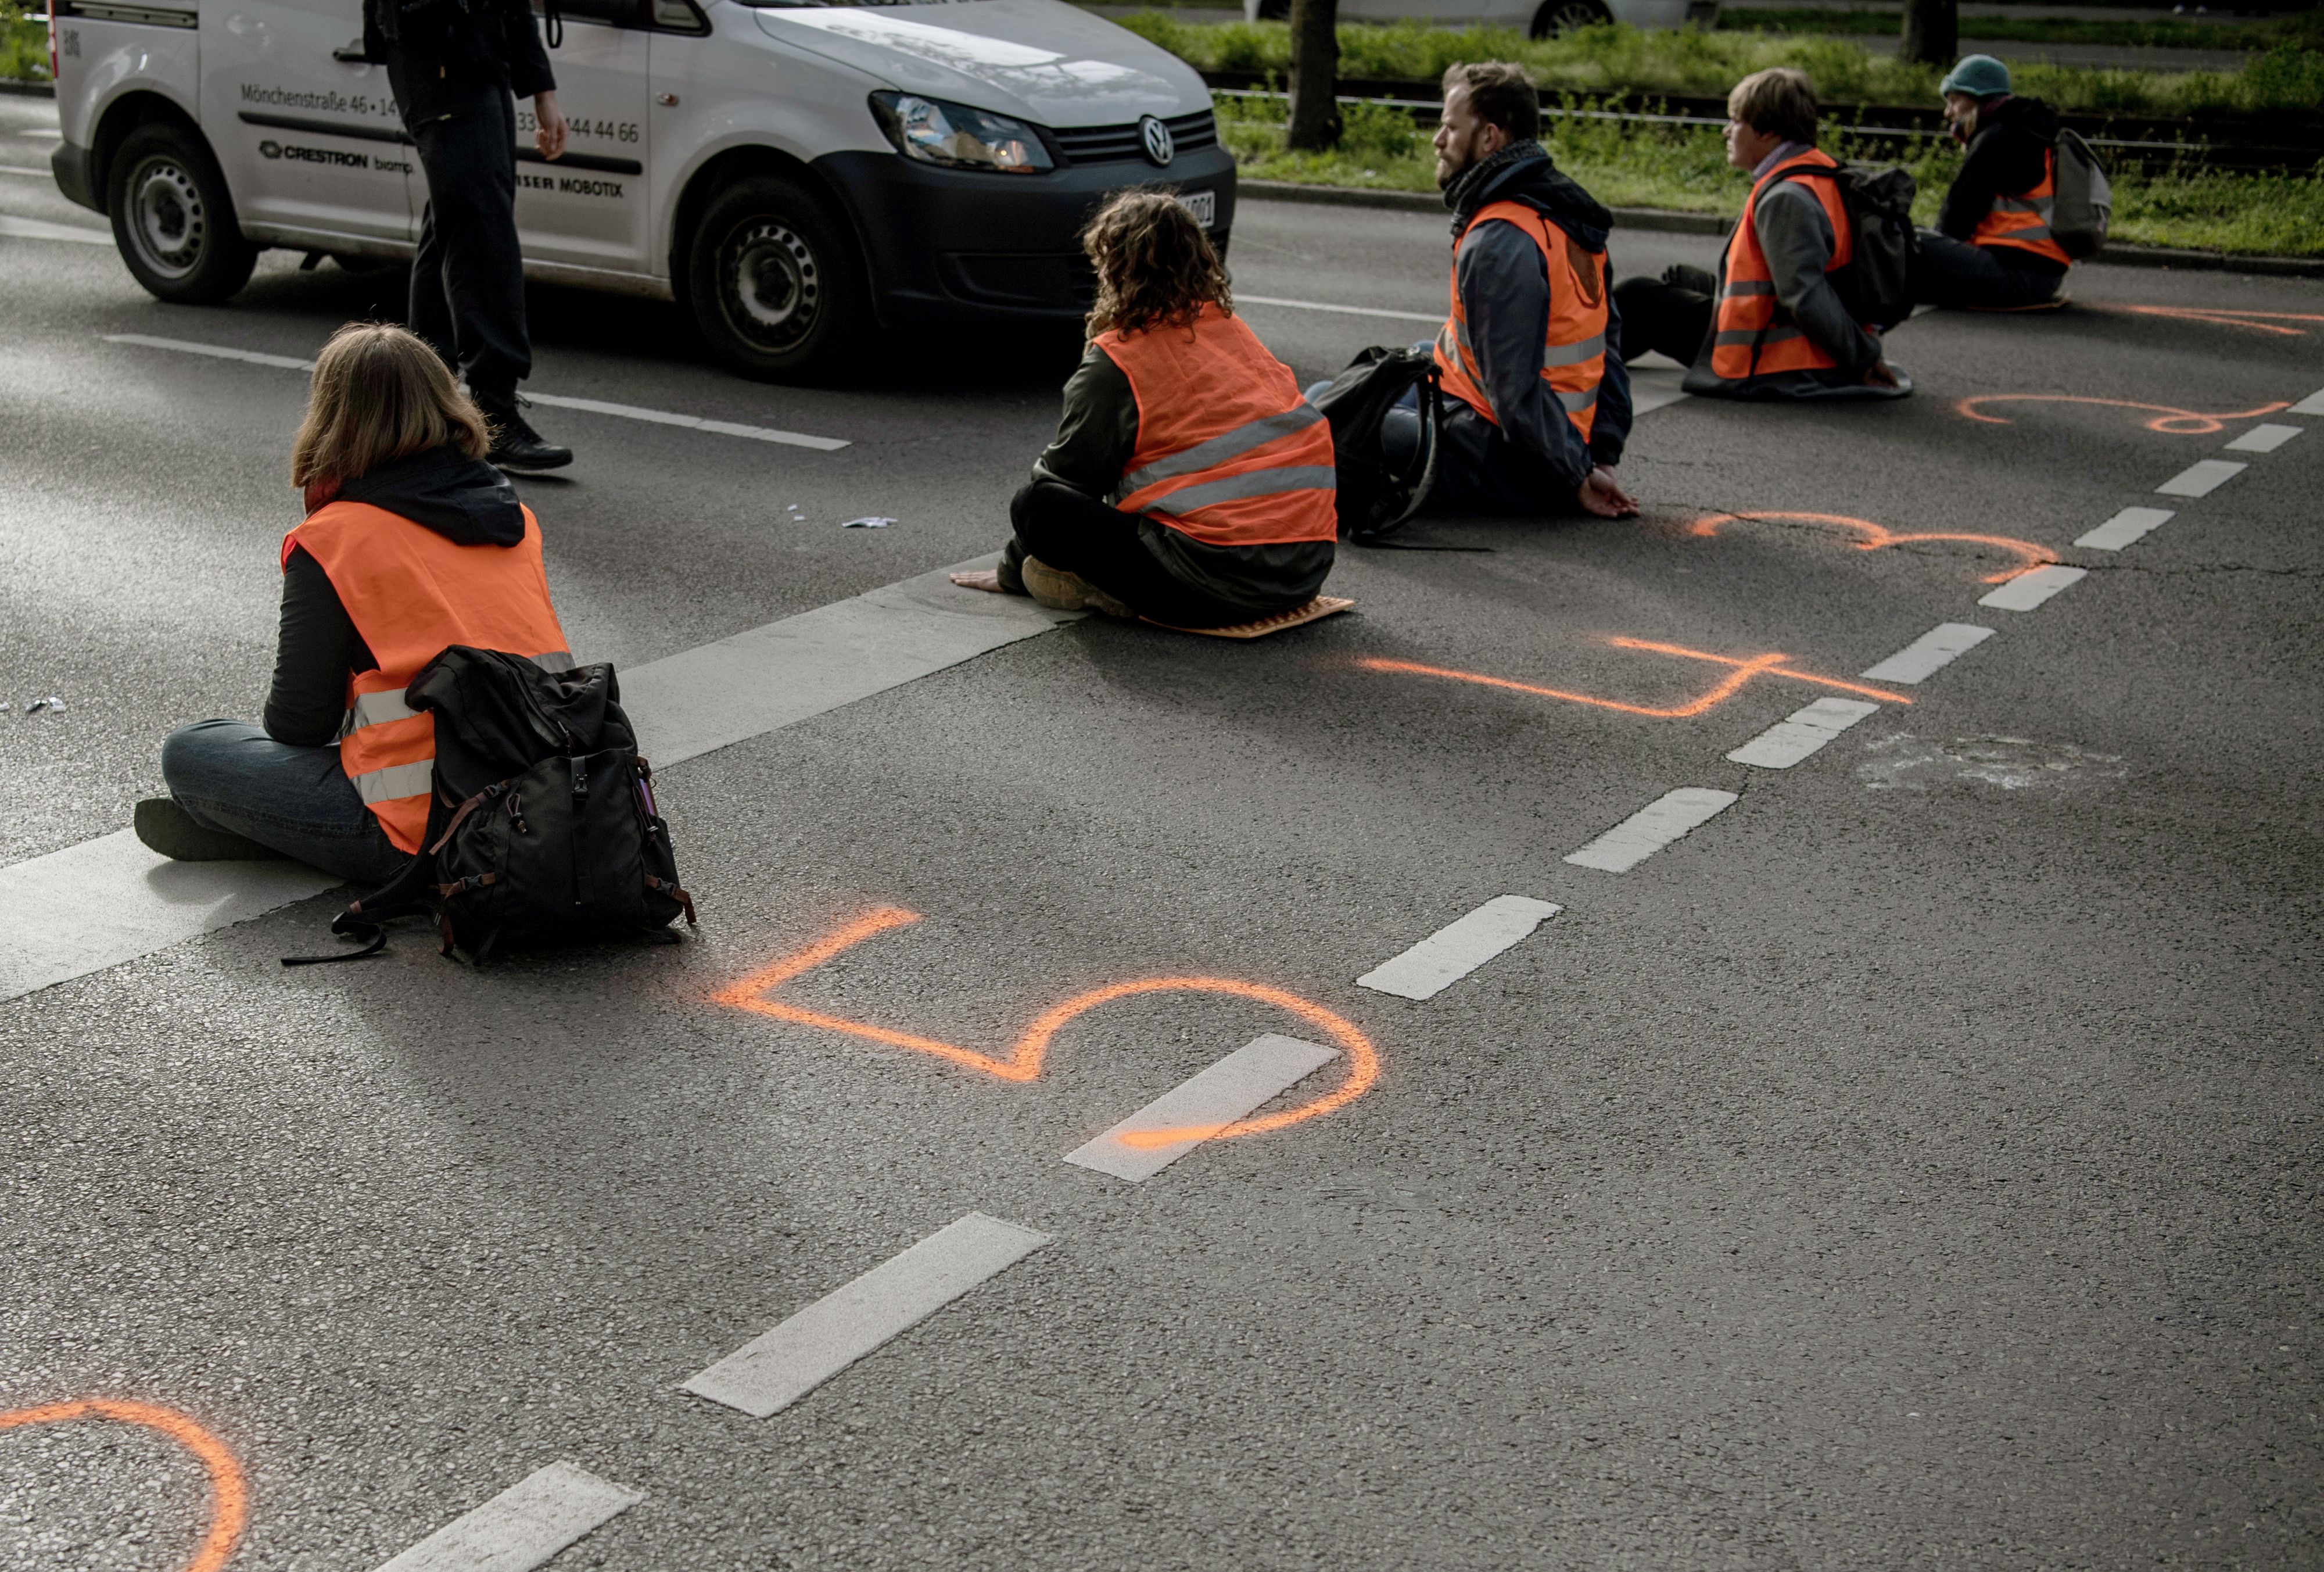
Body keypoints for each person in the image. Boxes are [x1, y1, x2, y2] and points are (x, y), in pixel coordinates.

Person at [136, 324, 573, 882]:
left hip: (421, 832)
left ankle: (262, 827)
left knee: (190, 750)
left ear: (332, 419)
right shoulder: (516, 521)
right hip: (541, 807)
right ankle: (270, 826)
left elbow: (299, 723)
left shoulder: (335, 538)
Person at [995, 191, 1337, 628]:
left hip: (1212, 585)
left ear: (1114, 270)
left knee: (1036, 504)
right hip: (1303, 573)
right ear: (1200, 261)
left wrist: (1009, 573)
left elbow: (1070, 478)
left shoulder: (1119, 359)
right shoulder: (1231, 331)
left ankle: (1099, 587)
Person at [362, 0, 573, 470]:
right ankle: (491, 413)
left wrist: (542, 90)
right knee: (481, 233)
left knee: (455, 226)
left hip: (478, 53)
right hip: (435, 53)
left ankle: (424, 410)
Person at [1613, 68, 1910, 402]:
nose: (1726, 132)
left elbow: (1805, 297)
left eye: (1735, 121)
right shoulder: (1820, 172)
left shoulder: (1786, 198)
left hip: (1770, 356)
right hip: (1785, 334)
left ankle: (1578, 363)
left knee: (1637, 296)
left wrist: (1864, 359)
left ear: (1767, 132)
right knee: (1679, 278)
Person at [1423, 62, 1637, 520]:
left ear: (1489, 138)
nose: (1438, 140)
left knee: (1336, 420)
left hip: (1512, 458)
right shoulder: (1565, 213)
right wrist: (1602, 456)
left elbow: (1514, 392)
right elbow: (1610, 354)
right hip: (1565, 442)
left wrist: (1576, 476)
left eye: (1450, 127)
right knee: (1403, 365)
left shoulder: (1499, 238)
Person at [1912, 55, 2071, 311]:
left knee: (1912, 239)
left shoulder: (1996, 138)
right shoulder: (2029, 132)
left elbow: (1956, 217)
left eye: (1955, 101)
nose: (1948, 112)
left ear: (1979, 100)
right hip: (2042, 276)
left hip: (2016, 274)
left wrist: (1931, 251)